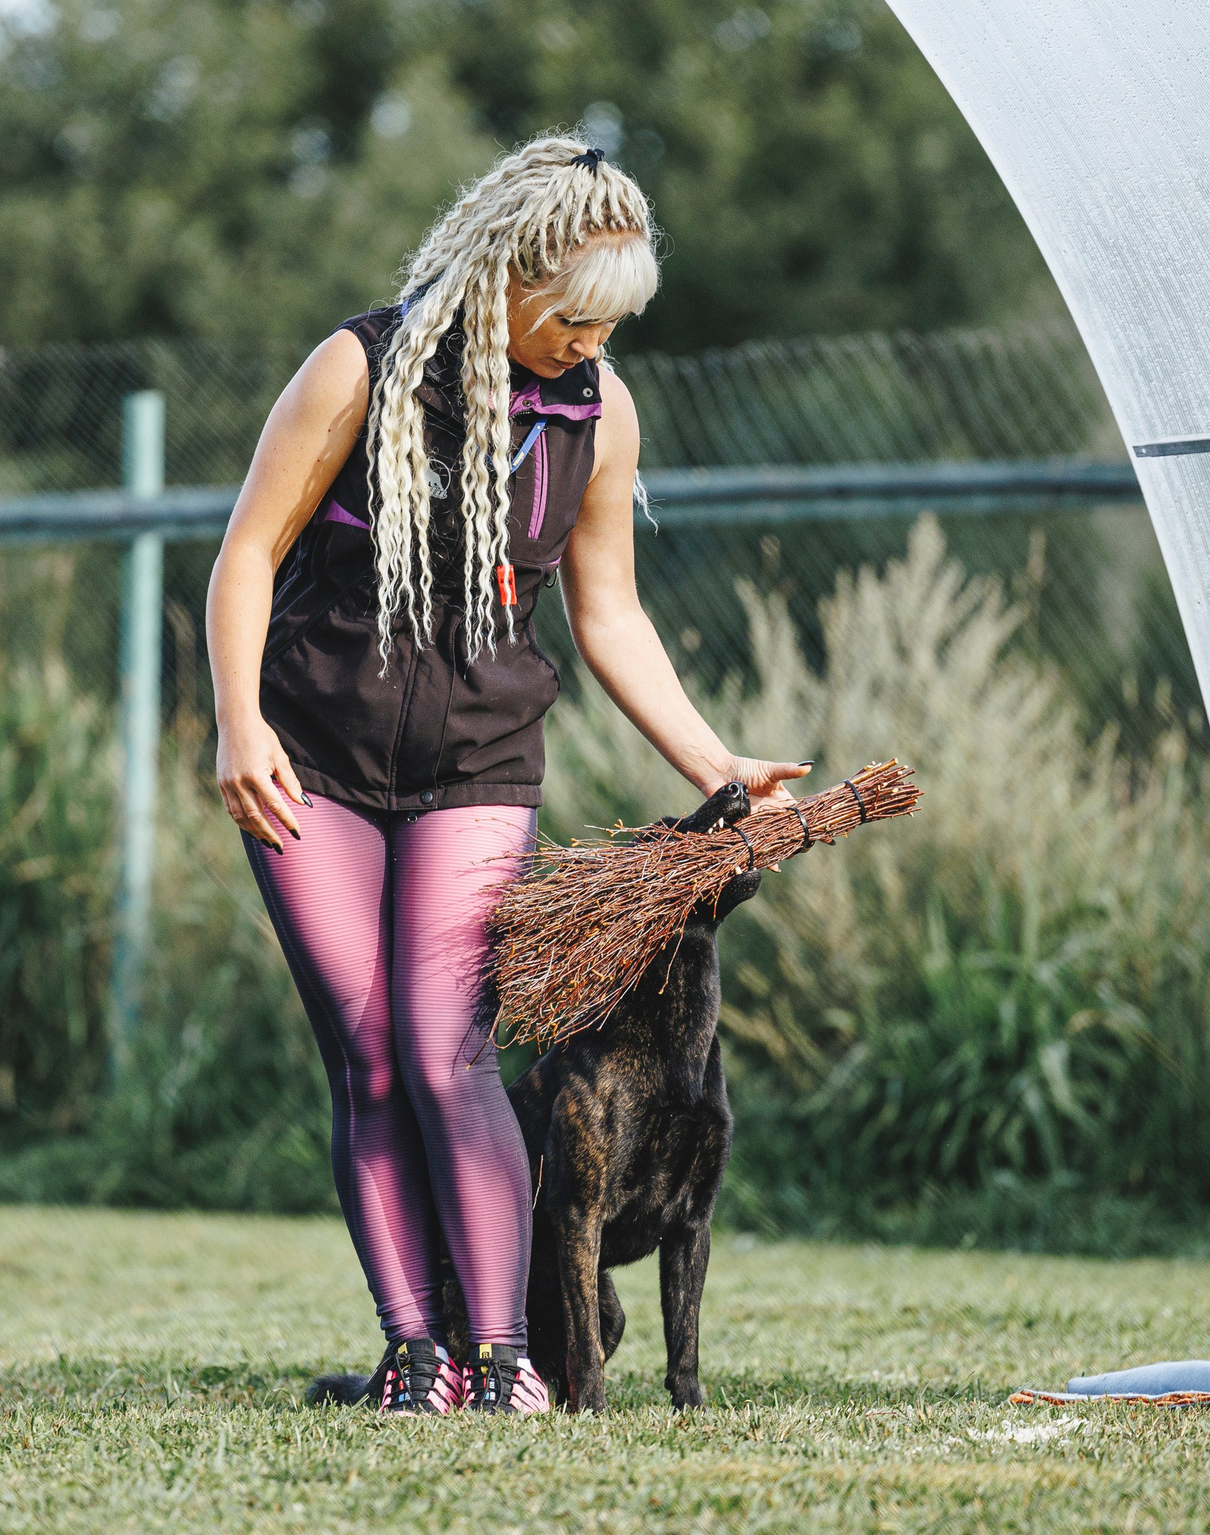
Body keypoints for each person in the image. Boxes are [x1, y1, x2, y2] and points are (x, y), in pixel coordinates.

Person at [206, 136, 808, 1415]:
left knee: (447, 1053)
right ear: (506, 273)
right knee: (367, 1060)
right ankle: (415, 1355)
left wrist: (719, 768)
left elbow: (611, 617)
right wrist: (234, 724)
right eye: (577, 318)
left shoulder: (598, 409)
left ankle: (505, 1362)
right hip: (308, 760)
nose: (593, 344)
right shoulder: (358, 369)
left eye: (615, 325)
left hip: (479, 762)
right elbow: (247, 553)